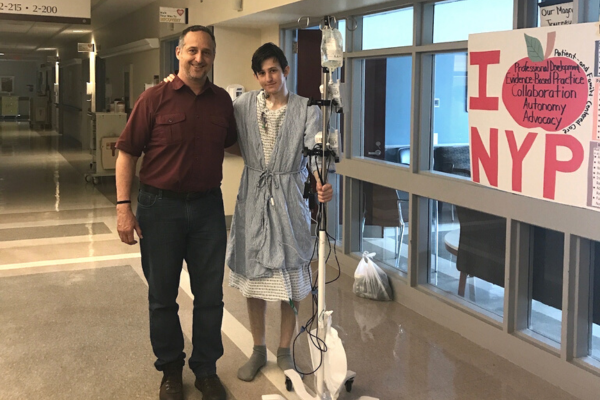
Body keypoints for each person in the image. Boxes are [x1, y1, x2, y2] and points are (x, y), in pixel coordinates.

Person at [115, 25, 236, 400]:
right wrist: (123, 207)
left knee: (210, 296)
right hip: (159, 208)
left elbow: (236, 144)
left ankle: (205, 370)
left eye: (207, 52)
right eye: (193, 51)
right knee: (163, 296)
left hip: (207, 209)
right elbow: (127, 152)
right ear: (179, 53)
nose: (200, 58)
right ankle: (170, 370)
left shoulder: (222, 102)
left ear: (213, 57)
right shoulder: (153, 98)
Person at [225, 43, 333, 382]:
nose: (268, 77)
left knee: (290, 279)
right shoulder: (242, 106)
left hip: (290, 199)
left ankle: (285, 349)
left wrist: (322, 184)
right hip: (253, 199)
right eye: (262, 72)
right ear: (256, 76)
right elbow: (214, 120)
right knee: (253, 279)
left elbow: (316, 153)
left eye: (274, 70)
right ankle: (258, 348)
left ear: (286, 70)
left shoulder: (306, 108)